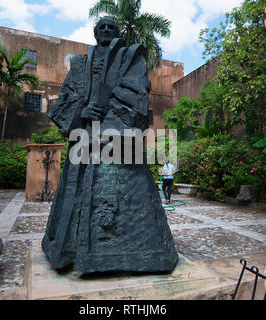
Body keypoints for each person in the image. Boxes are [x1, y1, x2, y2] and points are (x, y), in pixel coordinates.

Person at [41, 17, 178, 274]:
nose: (106, 30)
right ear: (94, 34)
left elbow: (137, 98)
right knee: (76, 198)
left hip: (116, 142)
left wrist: (109, 110)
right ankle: (69, 251)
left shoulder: (130, 59)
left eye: (111, 27)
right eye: (101, 27)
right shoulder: (80, 64)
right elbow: (63, 104)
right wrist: (84, 109)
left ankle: (132, 254)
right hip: (83, 139)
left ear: (117, 33)